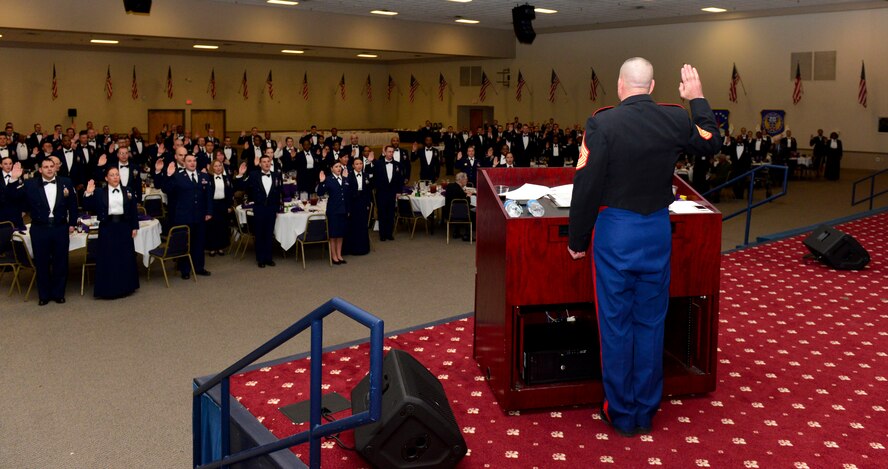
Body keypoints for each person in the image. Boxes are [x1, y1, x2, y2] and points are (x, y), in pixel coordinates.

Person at [567, 60, 720, 437]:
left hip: (615, 232)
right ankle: (646, 411)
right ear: (651, 85)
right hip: (655, 231)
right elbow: (711, 142)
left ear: (620, 85)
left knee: (616, 325)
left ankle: (620, 412)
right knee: (651, 323)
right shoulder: (675, 118)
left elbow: (586, 185)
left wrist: (576, 240)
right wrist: (697, 99)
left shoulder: (601, 123)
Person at [7, 159, 79, 305]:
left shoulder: (66, 182)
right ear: (40, 170)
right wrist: (14, 179)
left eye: (51, 166)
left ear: (56, 168)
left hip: (60, 227)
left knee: (61, 262)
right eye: (45, 167)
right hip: (40, 228)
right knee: (42, 262)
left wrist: (72, 223)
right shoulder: (30, 184)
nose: (49, 169)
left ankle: (59, 293)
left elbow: (73, 204)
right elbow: (12, 196)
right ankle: (44, 295)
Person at [82, 169, 140, 299]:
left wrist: (134, 226)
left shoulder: (128, 190)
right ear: (106, 178)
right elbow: (87, 206)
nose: (115, 177)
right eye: (112, 175)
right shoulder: (99, 192)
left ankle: (126, 287)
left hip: (124, 226)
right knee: (108, 257)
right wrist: (88, 193)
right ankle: (109, 290)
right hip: (107, 227)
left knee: (125, 256)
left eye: (117, 174)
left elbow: (133, 210)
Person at [162, 151, 213, 279]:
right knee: (185, 243)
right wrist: (169, 176)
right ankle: (185, 269)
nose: (192, 163)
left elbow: (208, 196)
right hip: (184, 215)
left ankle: (199, 267)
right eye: (189, 161)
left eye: (194, 161)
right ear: (184, 163)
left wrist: (209, 212)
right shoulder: (178, 176)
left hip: (200, 215)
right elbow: (167, 190)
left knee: (199, 242)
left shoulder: (204, 176)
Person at [236, 155, 281, 268]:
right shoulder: (254, 175)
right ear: (260, 164)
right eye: (264, 162)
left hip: (271, 209)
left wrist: (277, 208)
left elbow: (278, 192)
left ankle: (268, 258)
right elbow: (242, 186)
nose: (266, 163)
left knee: (269, 234)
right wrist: (240, 175)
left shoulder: (276, 175)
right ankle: (260, 259)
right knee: (259, 234)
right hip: (259, 208)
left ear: (270, 163)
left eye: (268, 161)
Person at [316, 161, 350, 264]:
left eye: (340, 166)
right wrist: (322, 182)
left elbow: (347, 195)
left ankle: (339, 255)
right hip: (333, 210)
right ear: (331, 169)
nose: (339, 168)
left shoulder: (344, 179)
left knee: (340, 234)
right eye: (336, 166)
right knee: (333, 234)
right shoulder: (329, 179)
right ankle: (333, 256)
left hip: (343, 210)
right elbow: (320, 193)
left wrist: (348, 209)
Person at [370, 146, 402, 241]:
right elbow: (372, 176)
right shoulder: (378, 163)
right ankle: (382, 234)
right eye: (389, 152)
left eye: (392, 152)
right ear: (385, 152)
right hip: (381, 193)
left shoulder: (397, 165)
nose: (390, 153)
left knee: (391, 214)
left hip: (392, 193)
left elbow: (399, 179)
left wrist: (399, 191)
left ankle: (389, 233)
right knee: (382, 213)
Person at [345, 157, 372, 255]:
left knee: (363, 225)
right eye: (357, 164)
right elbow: (347, 192)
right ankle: (354, 249)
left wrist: (368, 203)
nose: (359, 165)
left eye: (361, 163)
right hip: (353, 202)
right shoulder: (349, 176)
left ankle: (363, 248)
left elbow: (368, 191)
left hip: (363, 203)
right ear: (353, 166)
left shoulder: (366, 175)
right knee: (354, 225)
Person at [206, 160, 234, 256]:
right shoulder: (208, 178)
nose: (218, 168)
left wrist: (230, 206)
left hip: (223, 204)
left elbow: (230, 193)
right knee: (212, 227)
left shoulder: (227, 178)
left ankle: (221, 247)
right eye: (216, 166)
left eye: (220, 166)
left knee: (222, 226)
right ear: (212, 168)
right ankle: (212, 248)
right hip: (212, 204)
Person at [443, 172, 473, 241]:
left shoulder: (450, 186)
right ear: (461, 180)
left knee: (458, 208)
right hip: (458, 214)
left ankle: (456, 232)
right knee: (471, 211)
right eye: (466, 179)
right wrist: (468, 196)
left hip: (449, 213)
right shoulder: (460, 191)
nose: (467, 181)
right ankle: (467, 235)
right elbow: (466, 203)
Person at [1, 156, 25, 228]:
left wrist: (23, 210)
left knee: (18, 234)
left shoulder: (19, 175)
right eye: (5, 164)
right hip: (1, 211)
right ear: (1, 165)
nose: (8, 166)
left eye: (10, 163)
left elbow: (23, 194)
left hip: (16, 211)